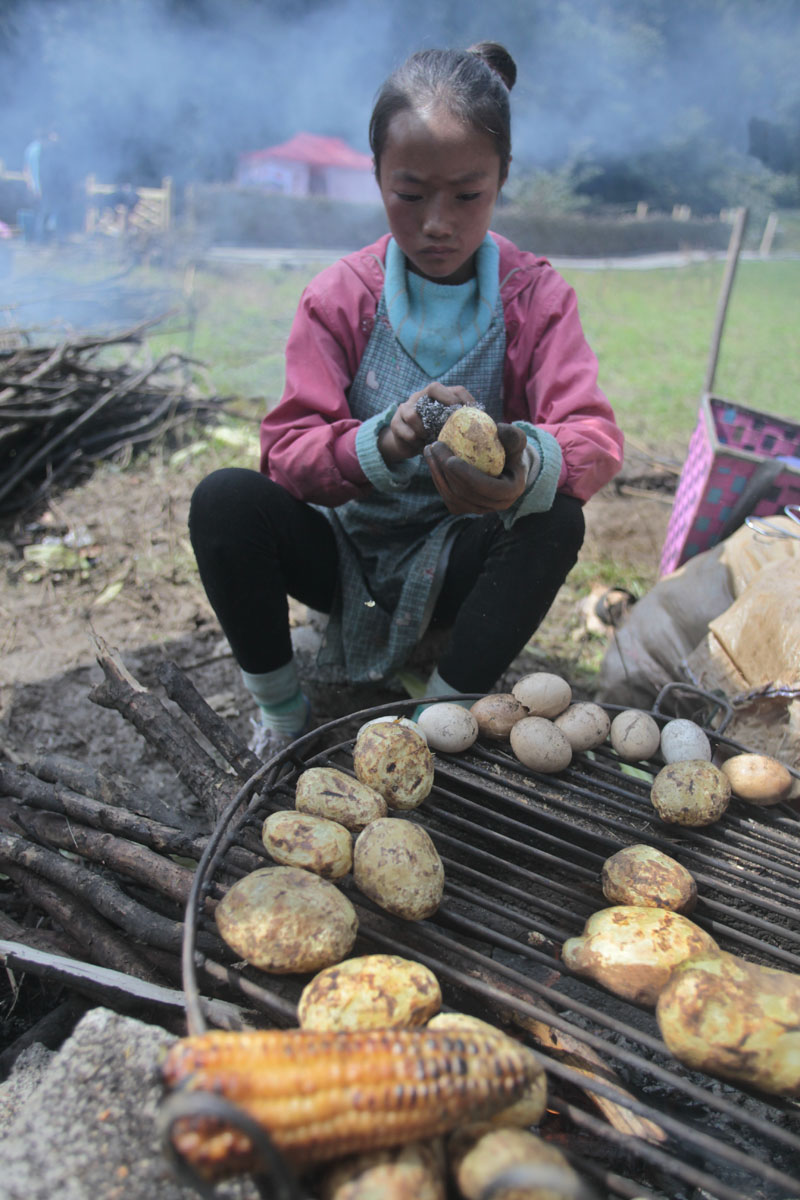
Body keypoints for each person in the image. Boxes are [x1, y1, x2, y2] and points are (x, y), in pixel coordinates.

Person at [189, 41, 624, 758]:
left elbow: (593, 434)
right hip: (344, 556)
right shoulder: (341, 296)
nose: (437, 223)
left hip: (458, 557)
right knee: (225, 502)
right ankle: (281, 710)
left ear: (503, 178)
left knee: (556, 520)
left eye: (468, 194)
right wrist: (388, 438)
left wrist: (525, 464)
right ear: (377, 176)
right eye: (411, 193)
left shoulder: (535, 296)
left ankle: (442, 715)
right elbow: (288, 451)